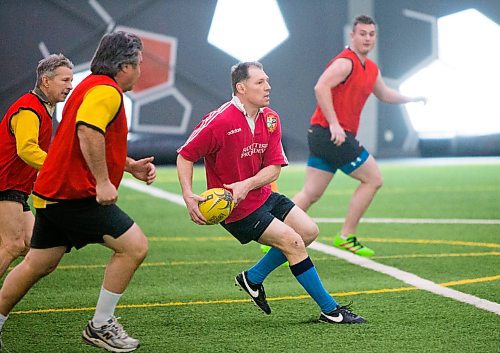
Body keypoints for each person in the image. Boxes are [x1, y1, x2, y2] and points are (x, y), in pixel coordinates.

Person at [0, 31, 156, 353]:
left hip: (51, 194)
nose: (141, 72)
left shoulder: (89, 87)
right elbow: (87, 130)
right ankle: (101, 325)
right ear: (124, 66)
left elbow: (77, 140)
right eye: (139, 64)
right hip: (74, 195)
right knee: (134, 246)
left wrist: (128, 166)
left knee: (36, 264)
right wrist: (102, 181)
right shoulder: (106, 91)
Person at [177, 61, 365, 324]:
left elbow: (274, 169)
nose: (268, 87)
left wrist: (247, 184)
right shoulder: (219, 121)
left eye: (267, 81)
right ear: (241, 88)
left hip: (261, 195)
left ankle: (252, 278)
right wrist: (188, 194)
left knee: (309, 232)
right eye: (260, 82)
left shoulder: (271, 119)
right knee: (293, 243)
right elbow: (185, 156)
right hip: (235, 209)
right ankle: (331, 311)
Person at [293, 15, 426, 257]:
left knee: (311, 193)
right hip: (331, 134)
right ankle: (346, 236)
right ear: (352, 36)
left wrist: (413, 98)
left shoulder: (371, 69)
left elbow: (385, 94)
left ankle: (278, 232)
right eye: (362, 33)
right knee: (373, 179)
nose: (367, 38)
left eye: (371, 34)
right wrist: (334, 124)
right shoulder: (346, 63)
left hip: (325, 135)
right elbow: (320, 87)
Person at [0, 54, 73, 279]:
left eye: (71, 81)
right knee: (13, 245)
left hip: (16, 188)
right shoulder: (29, 109)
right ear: (46, 81)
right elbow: (27, 149)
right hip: (6, 185)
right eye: (65, 80)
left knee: (32, 245)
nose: (70, 86)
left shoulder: (42, 107)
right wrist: (60, 168)